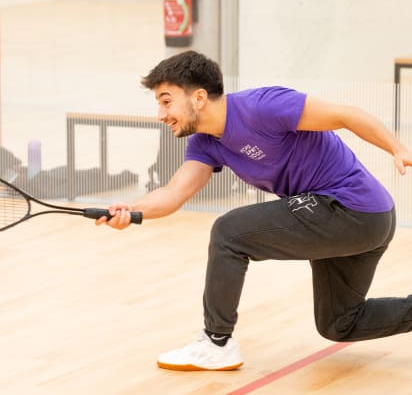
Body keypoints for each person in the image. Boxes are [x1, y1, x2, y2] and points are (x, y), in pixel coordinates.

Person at [97, 50, 412, 371]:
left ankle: (216, 342)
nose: (161, 114)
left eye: (166, 101)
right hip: (356, 220)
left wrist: (397, 148)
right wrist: (132, 210)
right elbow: (176, 192)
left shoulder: (263, 106)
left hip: (352, 208)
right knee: (340, 323)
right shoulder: (204, 143)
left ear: (200, 98)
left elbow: (348, 114)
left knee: (229, 232)